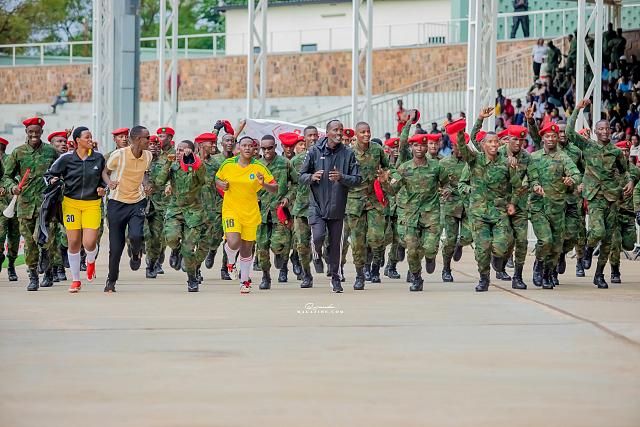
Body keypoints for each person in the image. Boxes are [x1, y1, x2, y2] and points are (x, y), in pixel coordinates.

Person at [567, 99, 634, 289]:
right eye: (601, 129)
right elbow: (569, 132)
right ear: (595, 131)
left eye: (607, 129)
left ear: (610, 131)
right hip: (595, 196)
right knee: (598, 231)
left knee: (608, 240)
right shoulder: (588, 146)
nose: (605, 131)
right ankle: (588, 249)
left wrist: (630, 180)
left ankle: (599, 274)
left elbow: (624, 171)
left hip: (612, 197)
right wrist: (578, 109)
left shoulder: (616, 152)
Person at [299, 120, 362, 293]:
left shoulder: (348, 153)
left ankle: (336, 279)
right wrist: (312, 177)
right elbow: (301, 175)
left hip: (337, 207)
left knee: (336, 247)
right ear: (327, 133)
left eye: (341, 130)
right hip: (317, 206)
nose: (339, 133)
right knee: (318, 236)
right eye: (335, 130)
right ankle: (316, 254)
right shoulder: (314, 151)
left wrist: (342, 177)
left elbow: (358, 179)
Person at [379, 133, 447, 292]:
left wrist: (447, 190)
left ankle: (430, 257)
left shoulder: (437, 167)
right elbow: (393, 190)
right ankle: (416, 278)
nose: (420, 148)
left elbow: (446, 183)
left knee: (430, 248)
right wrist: (384, 182)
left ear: (426, 147)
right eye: (416, 145)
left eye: (423, 145)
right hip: (411, 215)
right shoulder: (404, 168)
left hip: (431, 214)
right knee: (412, 251)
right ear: (411, 147)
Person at [45, 127, 109, 293]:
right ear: (77, 141)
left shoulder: (98, 158)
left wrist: (103, 189)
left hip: (92, 204)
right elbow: (49, 174)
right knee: (73, 242)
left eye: (91, 137)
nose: (90, 140)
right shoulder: (67, 158)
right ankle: (75, 280)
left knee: (89, 243)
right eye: (87, 137)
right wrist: (52, 180)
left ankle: (90, 260)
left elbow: (104, 179)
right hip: (71, 204)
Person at [456, 125, 520, 292]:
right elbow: (462, 147)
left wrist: (512, 203)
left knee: (502, 245)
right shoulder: (474, 160)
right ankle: (484, 278)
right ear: (483, 144)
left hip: (499, 212)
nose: (493, 144)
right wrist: (459, 131)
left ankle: (498, 257)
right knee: (482, 249)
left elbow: (517, 186)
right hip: (479, 213)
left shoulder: (506, 163)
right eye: (490, 142)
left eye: (496, 142)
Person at [2, 117, 59, 291]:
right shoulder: (18, 153)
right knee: (29, 243)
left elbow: (62, 171)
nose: (34, 135)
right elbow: (7, 176)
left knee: (46, 241)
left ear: (42, 132)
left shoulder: (51, 152)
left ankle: (48, 272)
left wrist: (57, 181)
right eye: (31, 132)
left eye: (37, 132)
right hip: (25, 206)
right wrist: (12, 188)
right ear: (26, 132)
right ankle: (33, 276)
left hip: (46, 205)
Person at [215, 136, 278, 294]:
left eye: (251, 146)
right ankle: (231, 262)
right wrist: (221, 184)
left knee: (246, 249)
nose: (248, 148)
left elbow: (275, 187)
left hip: (250, 213)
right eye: (244, 145)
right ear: (239, 147)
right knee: (234, 242)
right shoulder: (228, 164)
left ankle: (244, 281)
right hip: (231, 210)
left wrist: (263, 184)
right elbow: (217, 179)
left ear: (255, 149)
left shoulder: (259, 167)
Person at [527, 123, 581, 289]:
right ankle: (539, 264)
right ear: (542, 138)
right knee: (546, 240)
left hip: (557, 208)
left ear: (557, 138)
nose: (550, 139)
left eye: (553, 136)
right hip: (539, 207)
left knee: (557, 245)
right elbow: (528, 177)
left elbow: (576, 174)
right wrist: (534, 186)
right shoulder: (534, 157)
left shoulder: (563, 157)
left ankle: (548, 273)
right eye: (547, 136)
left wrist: (571, 179)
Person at [103, 126, 153, 293]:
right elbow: (105, 171)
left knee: (136, 236)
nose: (150, 140)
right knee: (116, 248)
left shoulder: (148, 155)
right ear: (138, 139)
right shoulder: (119, 155)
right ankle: (111, 280)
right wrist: (109, 183)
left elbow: (144, 173)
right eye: (147, 137)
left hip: (137, 201)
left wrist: (146, 184)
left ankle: (136, 253)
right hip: (116, 203)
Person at [155, 140, 207, 291]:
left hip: (193, 212)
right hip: (175, 209)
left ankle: (192, 278)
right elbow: (159, 181)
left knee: (189, 249)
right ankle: (175, 250)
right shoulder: (173, 166)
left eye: (182, 150)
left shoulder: (197, 166)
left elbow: (202, 178)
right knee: (171, 237)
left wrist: (192, 160)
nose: (178, 153)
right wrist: (168, 163)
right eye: (177, 150)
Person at [345, 121, 390, 290]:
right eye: (362, 132)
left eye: (368, 131)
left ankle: (375, 265)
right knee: (357, 243)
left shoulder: (377, 150)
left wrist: (385, 176)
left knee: (377, 238)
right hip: (355, 202)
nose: (366, 134)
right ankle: (360, 274)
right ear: (356, 135)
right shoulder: (348, 153)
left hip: (374, 201)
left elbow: (388, 167)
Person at [256, 134, 295, 289]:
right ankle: (266, 277)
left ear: (275, 147)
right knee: (262, 247)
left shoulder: (285, 163)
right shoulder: (256, 165)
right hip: (260, 212)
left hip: (279, 211)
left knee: (279, 244)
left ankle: (281, 258)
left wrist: (288, 197)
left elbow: (296, 183)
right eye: (263, 148)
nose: (266, 151)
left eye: (270, 148)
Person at [291, 126, 319, 288]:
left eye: (315, 135)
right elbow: (290, 184)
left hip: (321, 207)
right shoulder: (296, 161)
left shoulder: (326, 157)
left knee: (324, 241)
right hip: (302, 208)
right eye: (310, 136)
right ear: (304, 138)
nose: (313, 138)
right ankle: (306, 274)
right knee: (302, 245)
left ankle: (327, 263)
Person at [609, 141, 639, 283]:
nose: (625, 153)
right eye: (621, 150)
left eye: (627, 150)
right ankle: (615, 270)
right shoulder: (610, 169)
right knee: (615, 242)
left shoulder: (635, 170)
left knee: (629, 244)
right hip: (614, 213)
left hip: (629, 214)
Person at [0, 137, 20, 282]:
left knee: (14, 236)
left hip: (13, 203)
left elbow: (18, 177)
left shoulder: (11, 160)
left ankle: (11, 264)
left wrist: (11, 188)